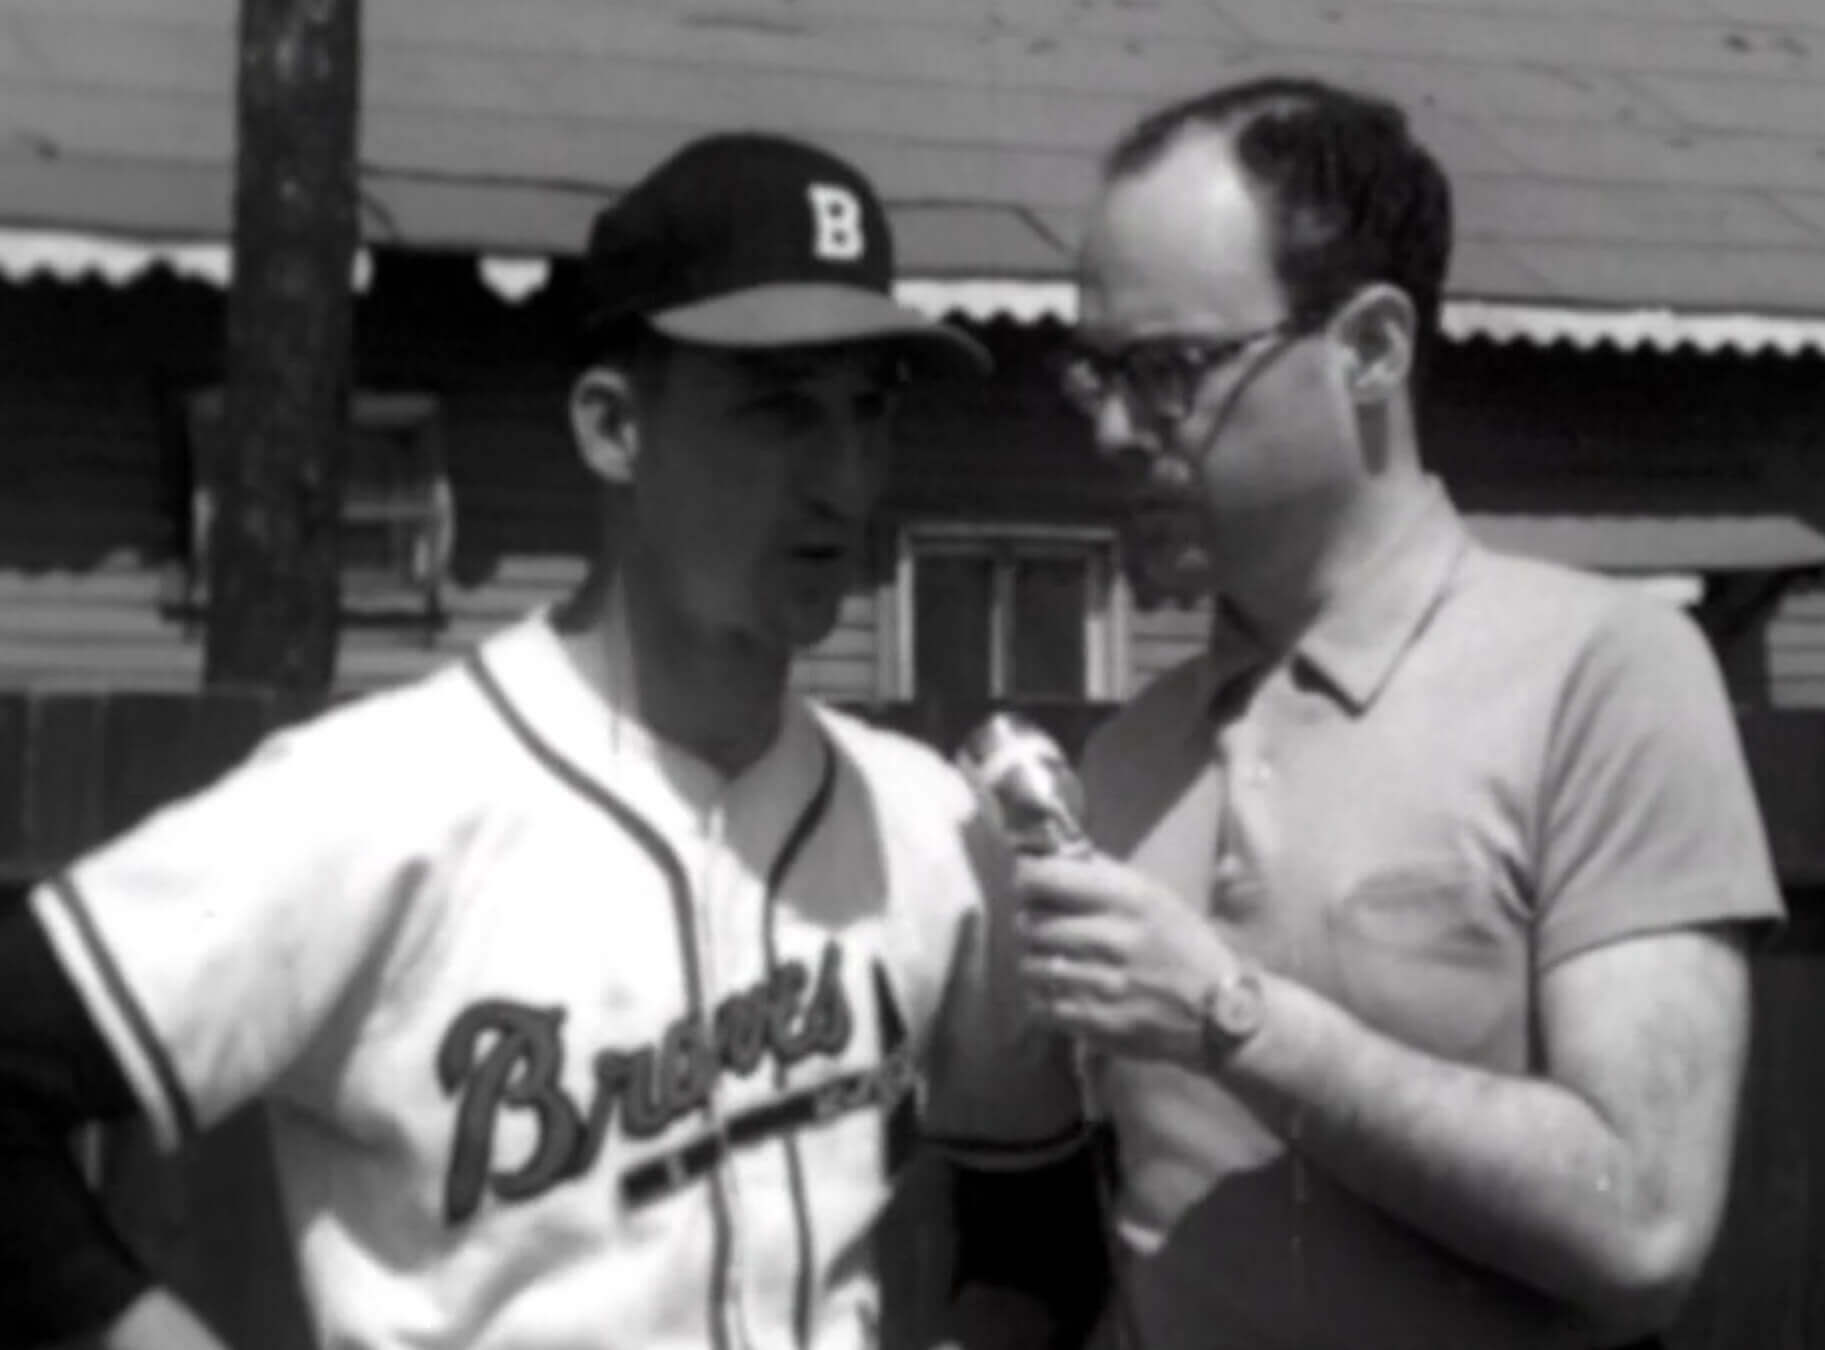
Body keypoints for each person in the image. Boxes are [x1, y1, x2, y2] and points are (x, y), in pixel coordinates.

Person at [0, 132, 1103, 1350]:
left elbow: (1038, 1222)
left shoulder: (929, 827)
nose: (842, 477)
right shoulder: (385, 797)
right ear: (611, 427)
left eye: (867, 412)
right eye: (780, 409)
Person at [1015, 77, 1783, 1349]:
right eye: (1091, 372)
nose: (1105, 426)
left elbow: (1643, 1223)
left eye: (1165, 372)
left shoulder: (1604, 675)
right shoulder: (1127, 755)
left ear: (1369, 348)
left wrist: (1229, 1015)